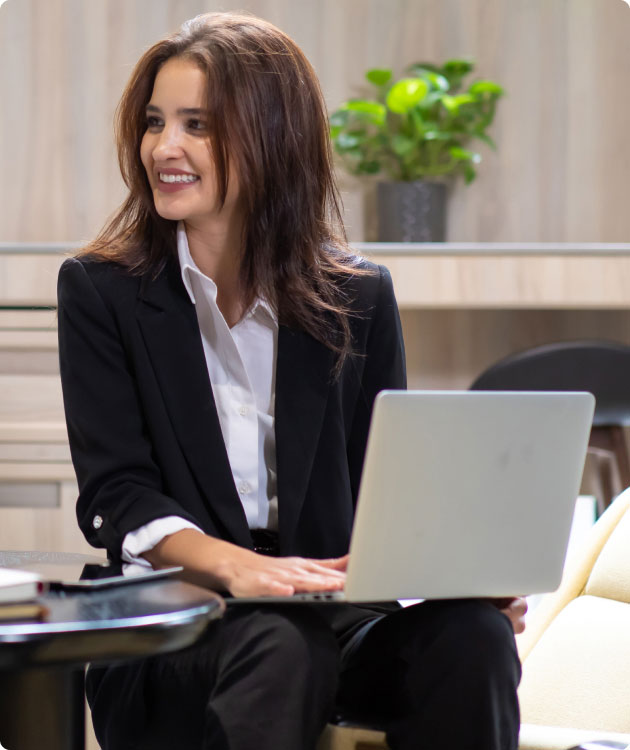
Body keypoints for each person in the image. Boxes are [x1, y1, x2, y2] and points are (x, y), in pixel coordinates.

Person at [57, 11, 525, 750]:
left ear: (273, 138)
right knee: (280, 639)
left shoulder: (358, 296)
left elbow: (383, 489)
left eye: (198, 125)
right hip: (173, 625)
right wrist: (242, 569)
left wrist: (452, 574)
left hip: (329, 616)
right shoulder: (101, 291)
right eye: (154, 122)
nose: (164, 147)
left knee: (474, 637)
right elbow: (118, 494)